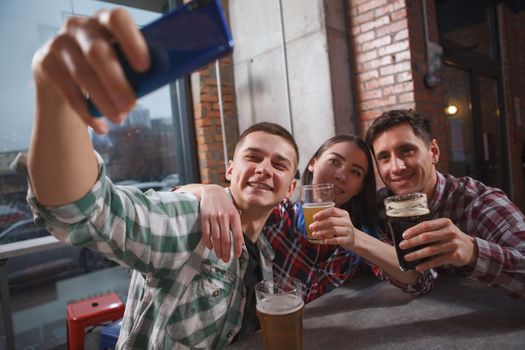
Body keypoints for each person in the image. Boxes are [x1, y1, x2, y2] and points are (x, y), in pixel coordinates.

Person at [23, 8, 303, 349]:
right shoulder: (191, 222)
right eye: (253, 157)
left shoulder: (265, 252)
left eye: (278, 164)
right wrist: (57, 95)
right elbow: (89, 211)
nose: (263, 169)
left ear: (290, 188)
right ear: (230, 170)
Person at [188, 135, 436, 301]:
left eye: (355, 172)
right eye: (334, 161)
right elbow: (176, 198)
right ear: (313, 164)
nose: (340, 175)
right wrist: (210, 190)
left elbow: (417, 279)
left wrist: (354, 239)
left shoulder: (359, 238)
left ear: (360, 187)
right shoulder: (277, 214)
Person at [364, 109, 525, 300]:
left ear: (433, 152)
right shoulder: (379, 209)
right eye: (384, 157)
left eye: (407, 150)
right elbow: (417, 280)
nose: (396, 167)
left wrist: (473, 252)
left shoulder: (477, 202)